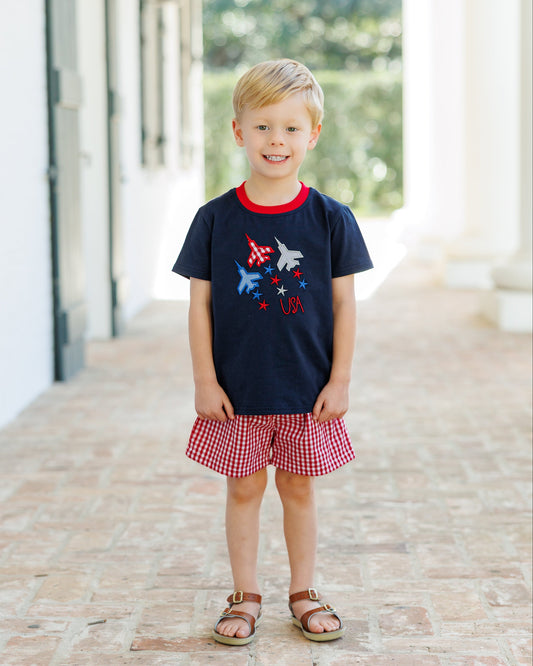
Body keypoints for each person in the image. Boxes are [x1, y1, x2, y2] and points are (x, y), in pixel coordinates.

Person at [172, 59, 373, 645]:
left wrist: (340, 379)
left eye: (290, 128)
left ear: (313, 134)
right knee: (242, 489)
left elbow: (345, 305)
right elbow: (199, 306)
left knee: (299, 488)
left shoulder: (331, 219)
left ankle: (304, 591)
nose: (276, 140)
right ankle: (245, 594)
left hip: (307, 388)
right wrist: (205, 380)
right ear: (239, 131)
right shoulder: (214, 219)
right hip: (237, 390)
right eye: (262, 126)